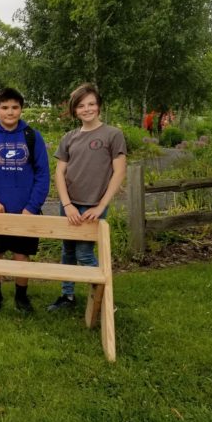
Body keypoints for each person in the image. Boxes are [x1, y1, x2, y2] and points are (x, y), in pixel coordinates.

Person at [48, 83, 127, 311]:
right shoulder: (69, 138)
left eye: (91, 104)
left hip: (94, 207)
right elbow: (59, 173)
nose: (87, 109)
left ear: (99, 106)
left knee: (84, 253)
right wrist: (67, 204)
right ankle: (67, 296)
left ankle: (103, 297)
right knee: (68, 251)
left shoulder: (113, 134)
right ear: (75, 110)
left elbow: (119, 171)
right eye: (81, 106)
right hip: (70, 206)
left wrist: (101, 205)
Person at [0, 87, 50, 312]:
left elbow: (43, 174)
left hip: (25, 211)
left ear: (21, 109)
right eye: (4, 107)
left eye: (15, 107)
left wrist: (32, 207)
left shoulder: (32, 137)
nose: (10, 112)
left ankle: (21, 297)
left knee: (21, 254)